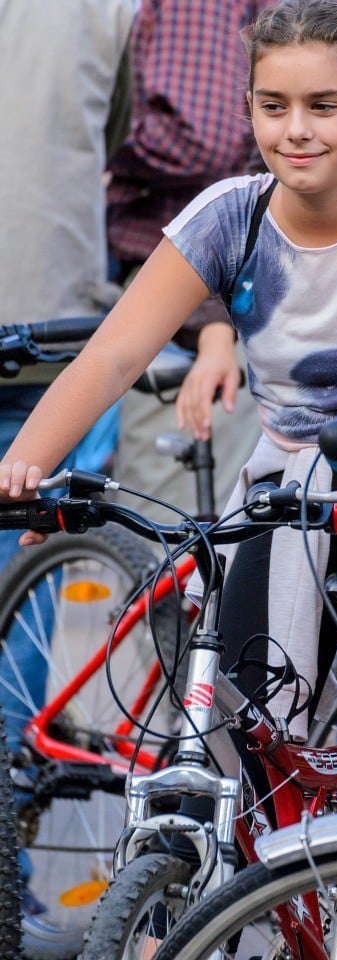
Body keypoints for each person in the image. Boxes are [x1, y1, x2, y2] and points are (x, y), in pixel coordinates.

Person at [0, 1, 337, 953]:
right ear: (251, 109)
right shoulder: (230, 215)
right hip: (295, 476)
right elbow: (113, 354)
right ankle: (310, 897)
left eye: (325, 105)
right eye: (273, 105)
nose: (296, 129)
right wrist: (24, 466)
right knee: (256, 704)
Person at [0, 0, 134, 923]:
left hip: (52, 334)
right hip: (49, 318)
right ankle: (8, 884)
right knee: (21, 621)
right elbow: (119, 126)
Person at [107, 0, 269, 523]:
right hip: (204, 284)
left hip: (195, 288)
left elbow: (200, 136)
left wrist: (95, 143)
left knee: (160, 535)